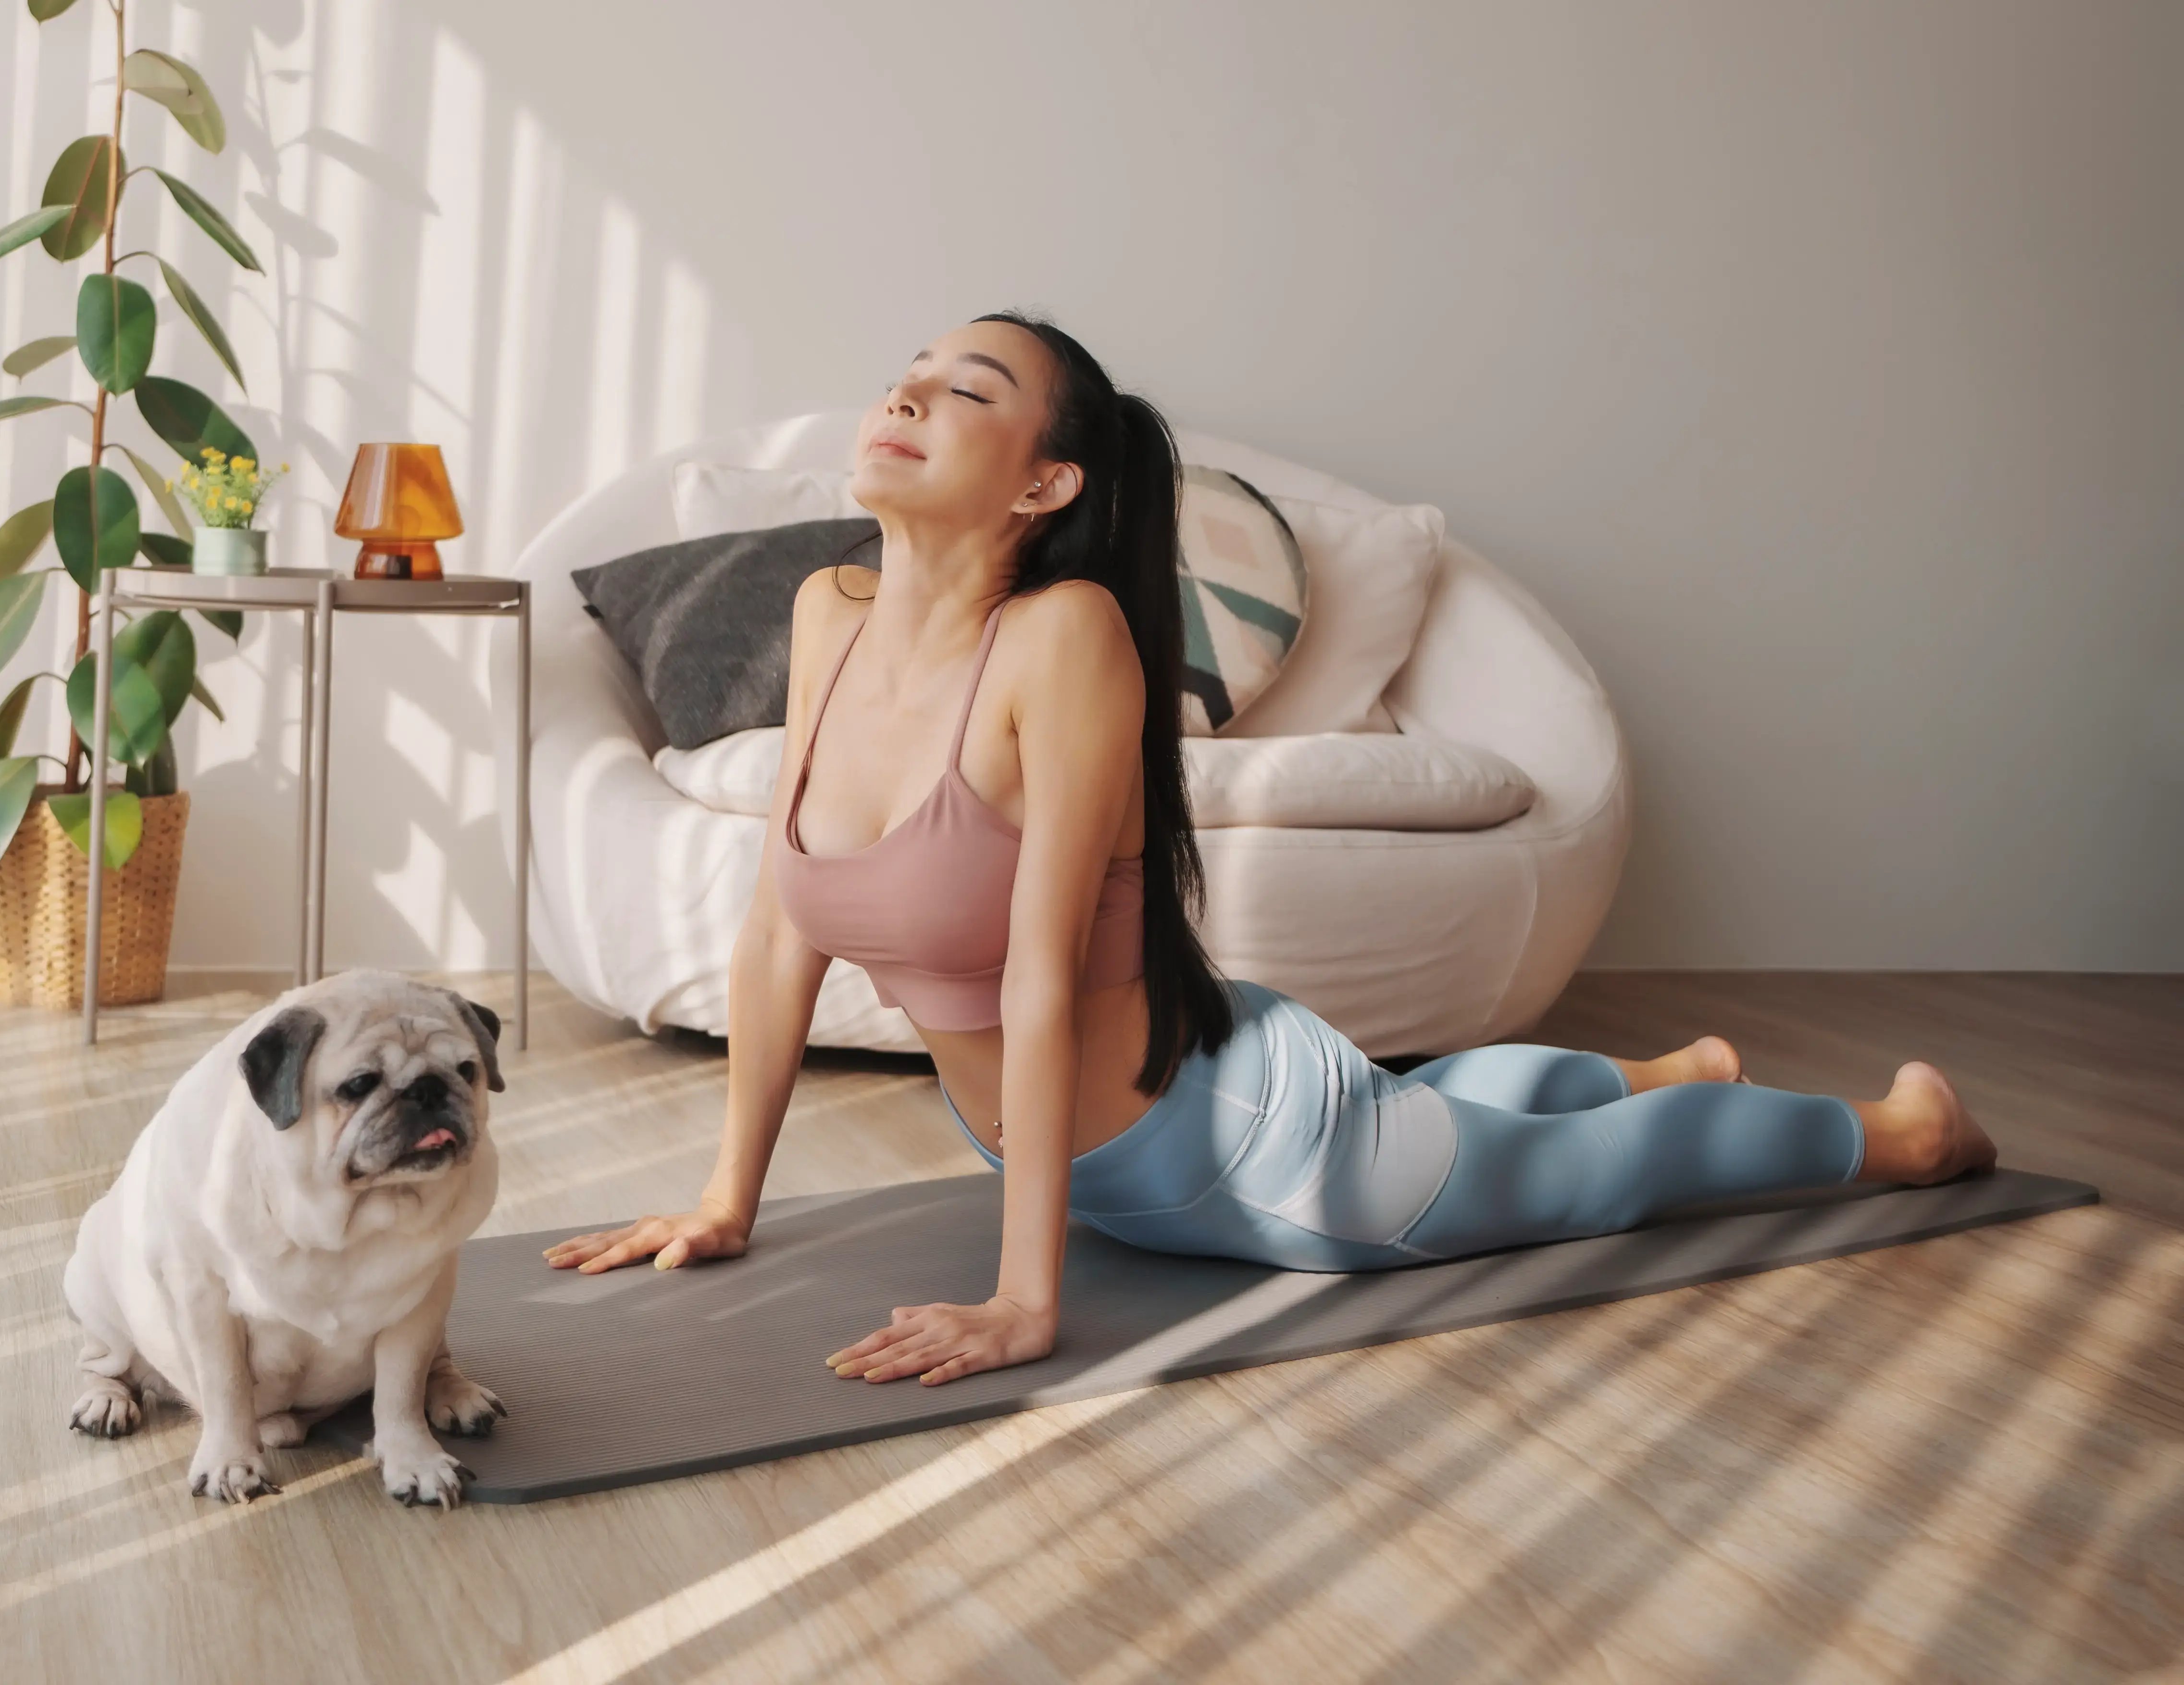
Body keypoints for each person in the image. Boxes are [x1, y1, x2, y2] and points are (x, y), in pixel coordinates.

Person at [541, 310, 1997, 1389]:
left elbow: (1039, 979)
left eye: (965, 387)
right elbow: (783, 928)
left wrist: (1023, 1303)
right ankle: (1677, 1064)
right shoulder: (829, 612)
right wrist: (730, 1202)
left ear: (1044, 486)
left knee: (1581, 1180)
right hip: (1127, 1117)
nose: (908, 388)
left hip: (1260, 1161)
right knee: (1452, 1116)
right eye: (909, 370)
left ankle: (1896, 1134)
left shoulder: (1067, 639)